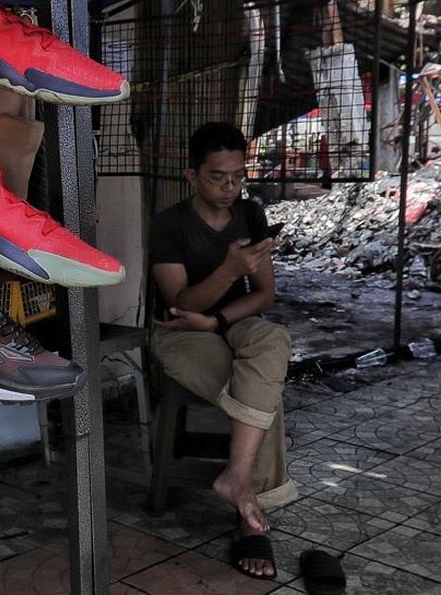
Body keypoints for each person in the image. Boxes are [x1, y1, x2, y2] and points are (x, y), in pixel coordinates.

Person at [148, 121, 296, 579]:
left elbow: (265, 295)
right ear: (191, 174)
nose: (230, 187)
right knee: (260, 389)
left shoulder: (250, 214)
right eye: (217, 176)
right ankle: (250, 523)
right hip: (180, 333)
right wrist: (230, 271)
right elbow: (180, 305)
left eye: (237, 176)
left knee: (272, 342)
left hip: (231, 322)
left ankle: (236, 475)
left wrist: (219, 320)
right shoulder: (169, 225)